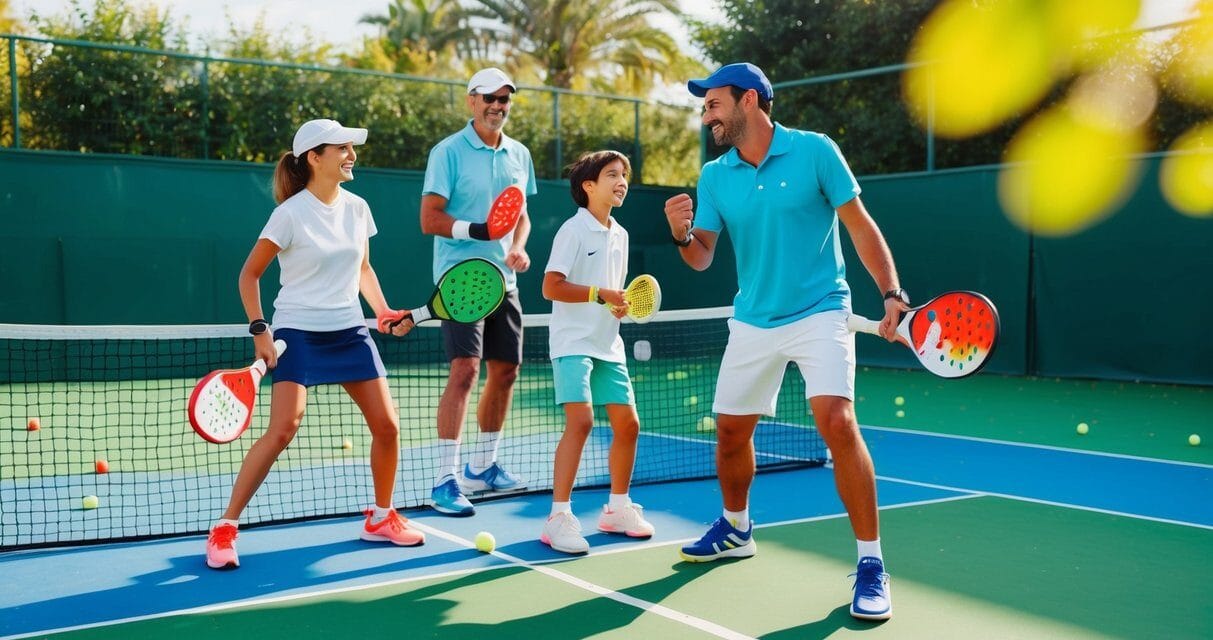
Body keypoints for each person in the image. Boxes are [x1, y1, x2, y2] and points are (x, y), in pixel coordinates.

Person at [664, 62, 908, 621]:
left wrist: (891, 293)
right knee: (729, 432)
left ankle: (871, 565)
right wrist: (680, 233)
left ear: (749, 100)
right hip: (753, 319)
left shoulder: (815, 151)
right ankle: (737, 527)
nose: (706, 113)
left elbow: (860, 225)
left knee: (837, 422)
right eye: (704, 105)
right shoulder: (715, 174)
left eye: (713, 102)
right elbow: (701, 256)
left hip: (821, 309)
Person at [205, 119, 424, 570]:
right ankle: (224, 528)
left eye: (352, 148)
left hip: (349, 330)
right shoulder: (290, 213)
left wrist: (382, 312)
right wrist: (259, 329)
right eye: (341, 148)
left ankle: (382, 518)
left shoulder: (359, 208)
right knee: (284, 428)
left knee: (388, 424)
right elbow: (249, 274)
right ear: (313, 157)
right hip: (298, 331)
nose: (352, 156)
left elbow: (363, 269)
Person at [420, 67, 537, 516]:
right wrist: (480, 229)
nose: (497, 106)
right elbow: (429, 219)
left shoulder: (518, 154)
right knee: (466, 370)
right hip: (461, 280)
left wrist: (519, 248)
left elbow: (520, 215)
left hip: (504, 283)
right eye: (489, 97)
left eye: (504, 99)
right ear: (471, 100)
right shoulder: (447, 152)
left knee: (506, 371)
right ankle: (444, 480)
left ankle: (483, 467)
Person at [539, 150, 655, 554]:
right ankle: (558, 517)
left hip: (609, 343)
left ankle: (618, 508)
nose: (621, 181)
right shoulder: (572, 231)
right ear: (588, 186)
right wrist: (598, 294)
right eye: (612, 175)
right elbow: (551, 287)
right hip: (572, 343)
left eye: (624, 175)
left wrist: (616, 303)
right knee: (582, 421)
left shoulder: (620, 234)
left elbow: (609, 293)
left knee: (629, 425)